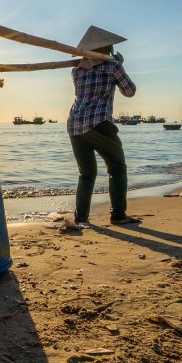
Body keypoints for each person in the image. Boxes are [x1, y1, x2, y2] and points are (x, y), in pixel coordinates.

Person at [62, 26, 140, 230]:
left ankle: (81, 218)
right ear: (107, 48)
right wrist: (119, 65)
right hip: (99, 123)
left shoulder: (76, 70)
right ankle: (118, 216)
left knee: (86, 174)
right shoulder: (112, 65)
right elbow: (130, 91)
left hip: (75, 124)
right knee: (117, 169)